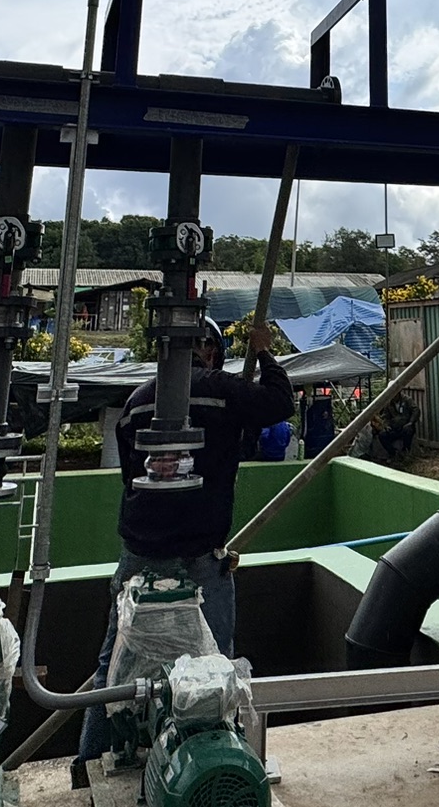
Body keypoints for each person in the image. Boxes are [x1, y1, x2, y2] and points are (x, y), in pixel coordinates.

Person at [76, 317, 291, 771]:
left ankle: (91, 762)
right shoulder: (219, 389)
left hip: (140, 550)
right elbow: (279, 403)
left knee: (114, 664)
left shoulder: (136, 402)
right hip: (199, 554)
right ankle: (219, 761)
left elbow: (131, 477)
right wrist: (263, 350)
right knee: (215, 662)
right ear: (209, 351)